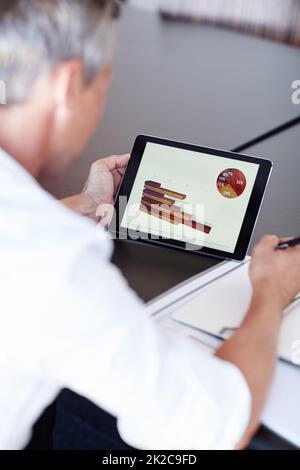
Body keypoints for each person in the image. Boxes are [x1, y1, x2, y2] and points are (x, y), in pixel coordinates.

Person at [0, 0, 300, 451]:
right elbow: (215, 426)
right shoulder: (55, 266)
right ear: (66, 85)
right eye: (104, 87)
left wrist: (84, 203)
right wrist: (270, 295)